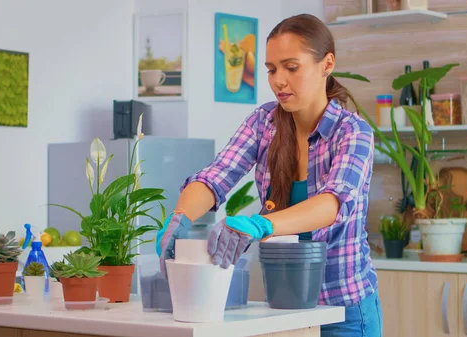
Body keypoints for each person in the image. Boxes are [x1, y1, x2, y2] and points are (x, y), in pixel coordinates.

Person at [155, 13, 382, 337]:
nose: (278, 80)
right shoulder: (263, 123)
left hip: (346, 311)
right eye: (271, 70)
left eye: (291, 67)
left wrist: (261, 225)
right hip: (283, 310)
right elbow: (215, 176)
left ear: (326, 64)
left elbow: (331, 204)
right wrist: (180, 217)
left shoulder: (352, 131)